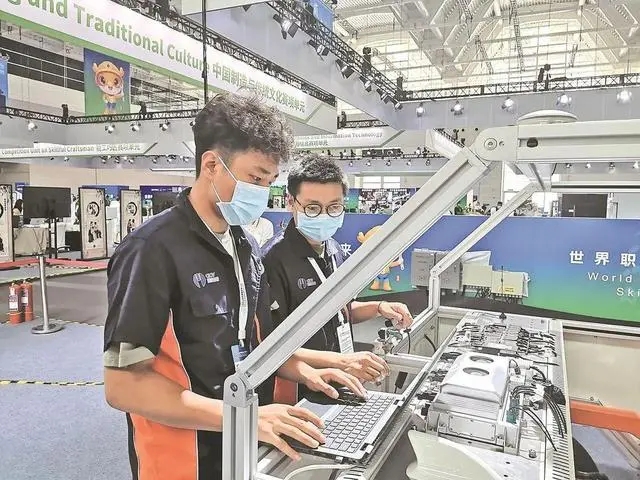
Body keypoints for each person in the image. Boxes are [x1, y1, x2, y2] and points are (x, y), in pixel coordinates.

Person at [103, 94, 365, 480]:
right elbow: (123, 384)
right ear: (211, 165)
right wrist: (243, 417)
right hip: (183, 456)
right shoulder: (151, 249)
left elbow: (251, 346)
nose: (262, 192)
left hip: (244, 443)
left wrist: (306, 371)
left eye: (269, 182)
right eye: (255, 179)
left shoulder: (246, 247)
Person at [262, 154, 414, 402]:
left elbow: (341, 311)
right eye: (312, 208)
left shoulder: (333, 248)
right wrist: (341, 361)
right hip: (298, 392)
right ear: (290, 202)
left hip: (340, 381)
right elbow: (269, 349)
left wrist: (378, 307)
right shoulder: (273, 260)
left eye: (334, 207)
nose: (324, 215)